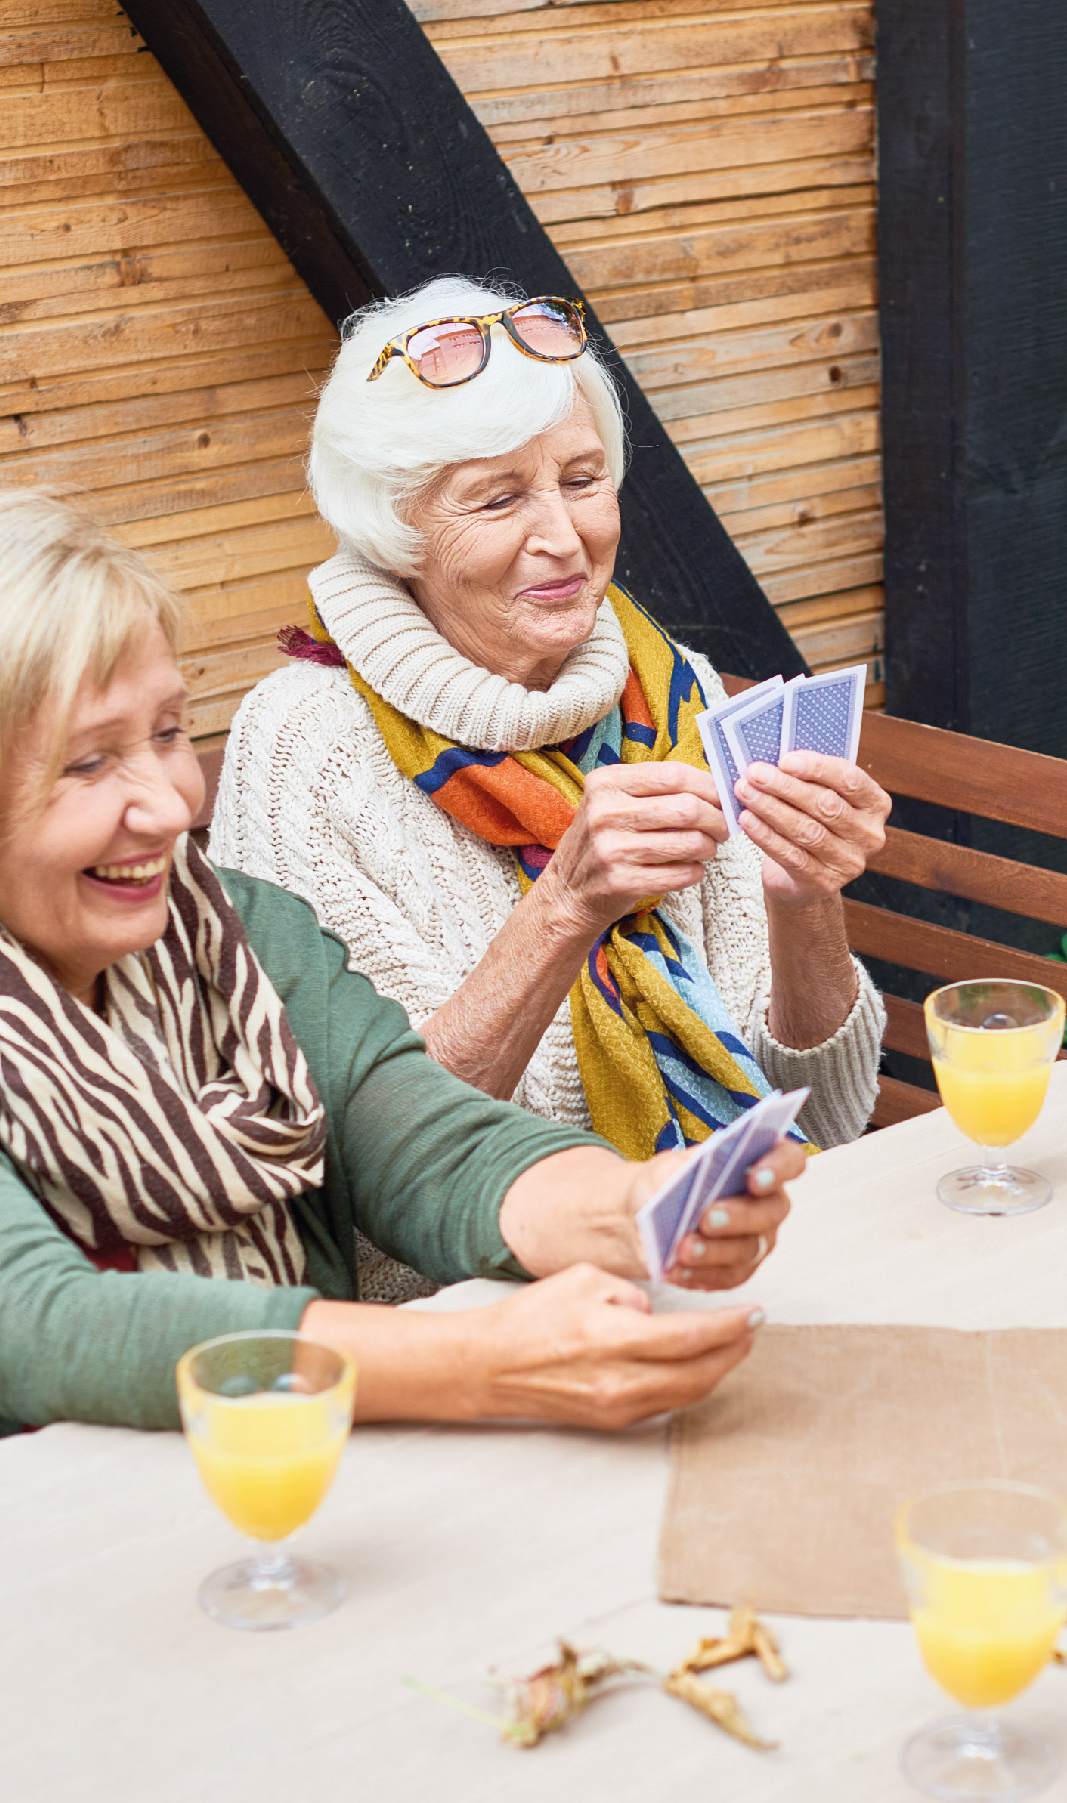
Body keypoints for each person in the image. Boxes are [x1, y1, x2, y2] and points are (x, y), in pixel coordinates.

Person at [0, 492, 797, 1542]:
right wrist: (477, 1362)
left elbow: (413, 1131)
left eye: (168, 733)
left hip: (201, 1500)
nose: (167, 806)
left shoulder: (231, 927)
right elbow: (30, 1319)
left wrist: (630, 1205)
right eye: (86, 763)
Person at [213, 277, 886, 1299]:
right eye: (497, 497)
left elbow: (826, 1113)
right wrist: (566, 906)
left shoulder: (668, 689)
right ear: (399, 530)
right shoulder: (304, 745)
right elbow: (365, 1180)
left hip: (740, 1248)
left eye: (581, 479)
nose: (566, 539)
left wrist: (804, 903)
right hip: (479, 1302)